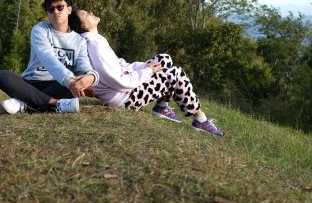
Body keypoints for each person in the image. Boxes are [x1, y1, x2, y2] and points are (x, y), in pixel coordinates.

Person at [68, 8, 224, 136]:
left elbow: (119, 64)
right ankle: (201, 120)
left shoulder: (96, 40)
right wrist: (147, 71)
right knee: (175, 73)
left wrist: (143, 66)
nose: (90, 12)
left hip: (127, 86)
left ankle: (162, 107)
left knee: (164, 59)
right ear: (83, 25)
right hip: (124, 97)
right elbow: (119, 81)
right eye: (85, 14)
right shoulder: (94, 46)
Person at [0, 0, 99, 114]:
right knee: (3, 77)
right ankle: (55, 104)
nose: (55, 11)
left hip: (58, 84)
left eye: (60, 7)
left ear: (69, 9)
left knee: (72, 87)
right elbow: (47, 57)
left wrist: (92, 77)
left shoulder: (79, 41)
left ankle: (24, 102)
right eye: (51, 9)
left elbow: (84, 67)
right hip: (32, 82)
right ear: (47, 13)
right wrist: (70, 81)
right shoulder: (40, 30)